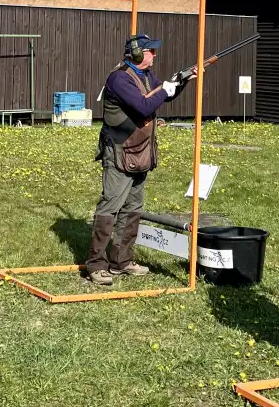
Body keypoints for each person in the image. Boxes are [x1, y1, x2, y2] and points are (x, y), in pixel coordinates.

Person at [84, 33, 195, 285]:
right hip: (120, 151)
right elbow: (145, 106)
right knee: (110, 207)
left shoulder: (145, 75)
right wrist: (165, 89)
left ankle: (121, 261)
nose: (154, 54)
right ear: (136, 54)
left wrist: (183, 80)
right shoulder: (120, 78)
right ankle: (96, 264)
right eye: (150, 51)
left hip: (140, 150)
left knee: (133, 208)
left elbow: (164, 95)